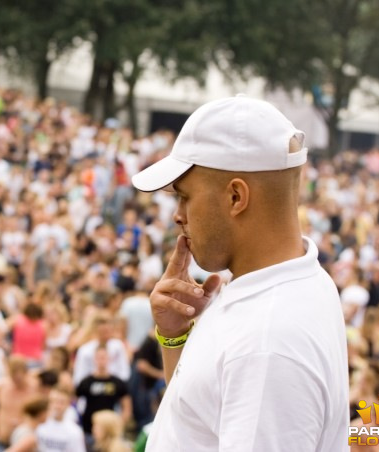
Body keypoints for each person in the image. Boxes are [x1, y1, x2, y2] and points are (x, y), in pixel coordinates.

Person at [130, 96, 349, 450]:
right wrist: (175, 337)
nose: (177, 214)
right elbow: (198, 422)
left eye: (184, 196)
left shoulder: (268, 339)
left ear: (235, 197)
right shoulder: (285, 280)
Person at [75, 345, 131, 437]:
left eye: (104, 357)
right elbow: (74, 402)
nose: (101, 361)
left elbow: (127, 408)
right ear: (94, 359)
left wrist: (118, 425)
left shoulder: (117, 383)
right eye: (98, 358)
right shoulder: (86, 382)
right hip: (88, 430)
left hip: (109, 430)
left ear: (109, 359)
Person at [35, 387, 85, 452]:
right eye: (54, 401)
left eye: (61, 402)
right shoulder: (38, 425)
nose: (57, 406)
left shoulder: (75, 431)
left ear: (68, 404)